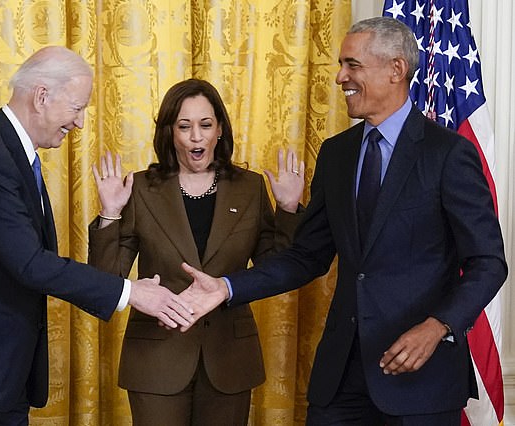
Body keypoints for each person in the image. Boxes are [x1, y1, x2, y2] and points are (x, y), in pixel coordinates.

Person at [178, 17, 508, 425]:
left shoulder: (447, 154)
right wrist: (227, 287)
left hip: (421, 378)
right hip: (341, 378)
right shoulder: (337, 154)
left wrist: (438, 326)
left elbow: (488, 263)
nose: (339, 77)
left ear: (395, 69)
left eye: (352, 65)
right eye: (340, 64)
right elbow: (306, 256)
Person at [0, 46, 195, 425]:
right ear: (42, 96)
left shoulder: (13, 153)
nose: (80, 123)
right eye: (77, 108)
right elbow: (30, 264)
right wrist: (133, 292)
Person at [87, 78, 305, 426]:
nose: (196, 137)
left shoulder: (249, 188)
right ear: (170, 133)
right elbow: (106, 281)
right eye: (184, 126)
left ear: (220, 129)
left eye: (205, 125)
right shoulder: (141, 188)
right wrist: (111, 212)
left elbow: (275, 270)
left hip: (229, 359)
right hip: (156, 359)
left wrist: (289, 209)